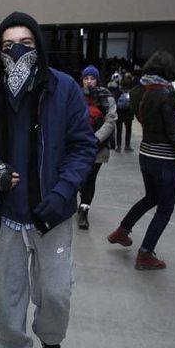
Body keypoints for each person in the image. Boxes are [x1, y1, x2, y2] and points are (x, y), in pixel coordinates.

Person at [0, 12, 96, 348]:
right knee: (8, 295)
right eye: (8, 46)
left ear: (38, 47)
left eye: (26, 44)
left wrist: (62, 193)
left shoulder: (64, 89)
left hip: (51, 215)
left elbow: (83, 146)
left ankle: (51, 341)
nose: (17, 51)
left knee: (55, 293)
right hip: (5, 215)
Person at [107, 51, 175, 270]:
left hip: (146, 154)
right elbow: (174, 132)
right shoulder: (166, 94)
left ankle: (122, 230)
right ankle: (145, 254)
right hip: (164, 158)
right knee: (165, 209)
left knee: (151, 197)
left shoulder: (138, 90)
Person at [77, 65, 117, 230]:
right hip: (77, 145)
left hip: (97, 146)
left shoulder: (106, 96)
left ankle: (84, 211)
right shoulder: (76, 95)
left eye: (92, 78)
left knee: (90, 179)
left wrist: (95, 139)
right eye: (86, 78)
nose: (89, 81)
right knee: (78, 177)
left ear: (97, 80)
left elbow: (111, 120)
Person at [114, 72, 135, 151]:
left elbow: (115, 101)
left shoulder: (118, 91)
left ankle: (118, 146)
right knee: (128, 130)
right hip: (129, 114)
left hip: (119, 113)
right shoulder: (131, 92)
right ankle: (127, 146)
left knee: (119, 130)